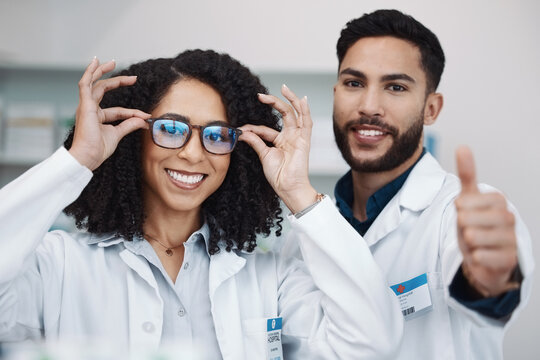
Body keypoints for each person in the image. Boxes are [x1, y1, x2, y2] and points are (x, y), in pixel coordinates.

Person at [0, 49, 403, 359]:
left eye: (216, 135)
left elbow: (371, 341)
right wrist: (77, 160)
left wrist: (299, 193)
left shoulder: (269, 278)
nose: (194, 154)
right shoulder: (60, 264)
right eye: (171, 129)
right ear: (133, 136)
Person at [331, 9, 534, 360]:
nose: (369, 106)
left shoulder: (461, 213)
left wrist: (491, 278)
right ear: (336, 92)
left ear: (431, 109)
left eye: (395, 87)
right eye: (354, 83)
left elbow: (490, 294)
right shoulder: (311, 231)